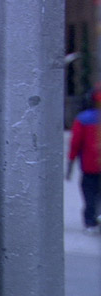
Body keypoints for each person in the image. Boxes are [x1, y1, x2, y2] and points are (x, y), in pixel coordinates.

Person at [67, 88, 101, 233]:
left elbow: (75, 143)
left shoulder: (83, 119)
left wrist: (70, 164)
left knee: (90, 194)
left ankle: (91, 222)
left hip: (90, 166)